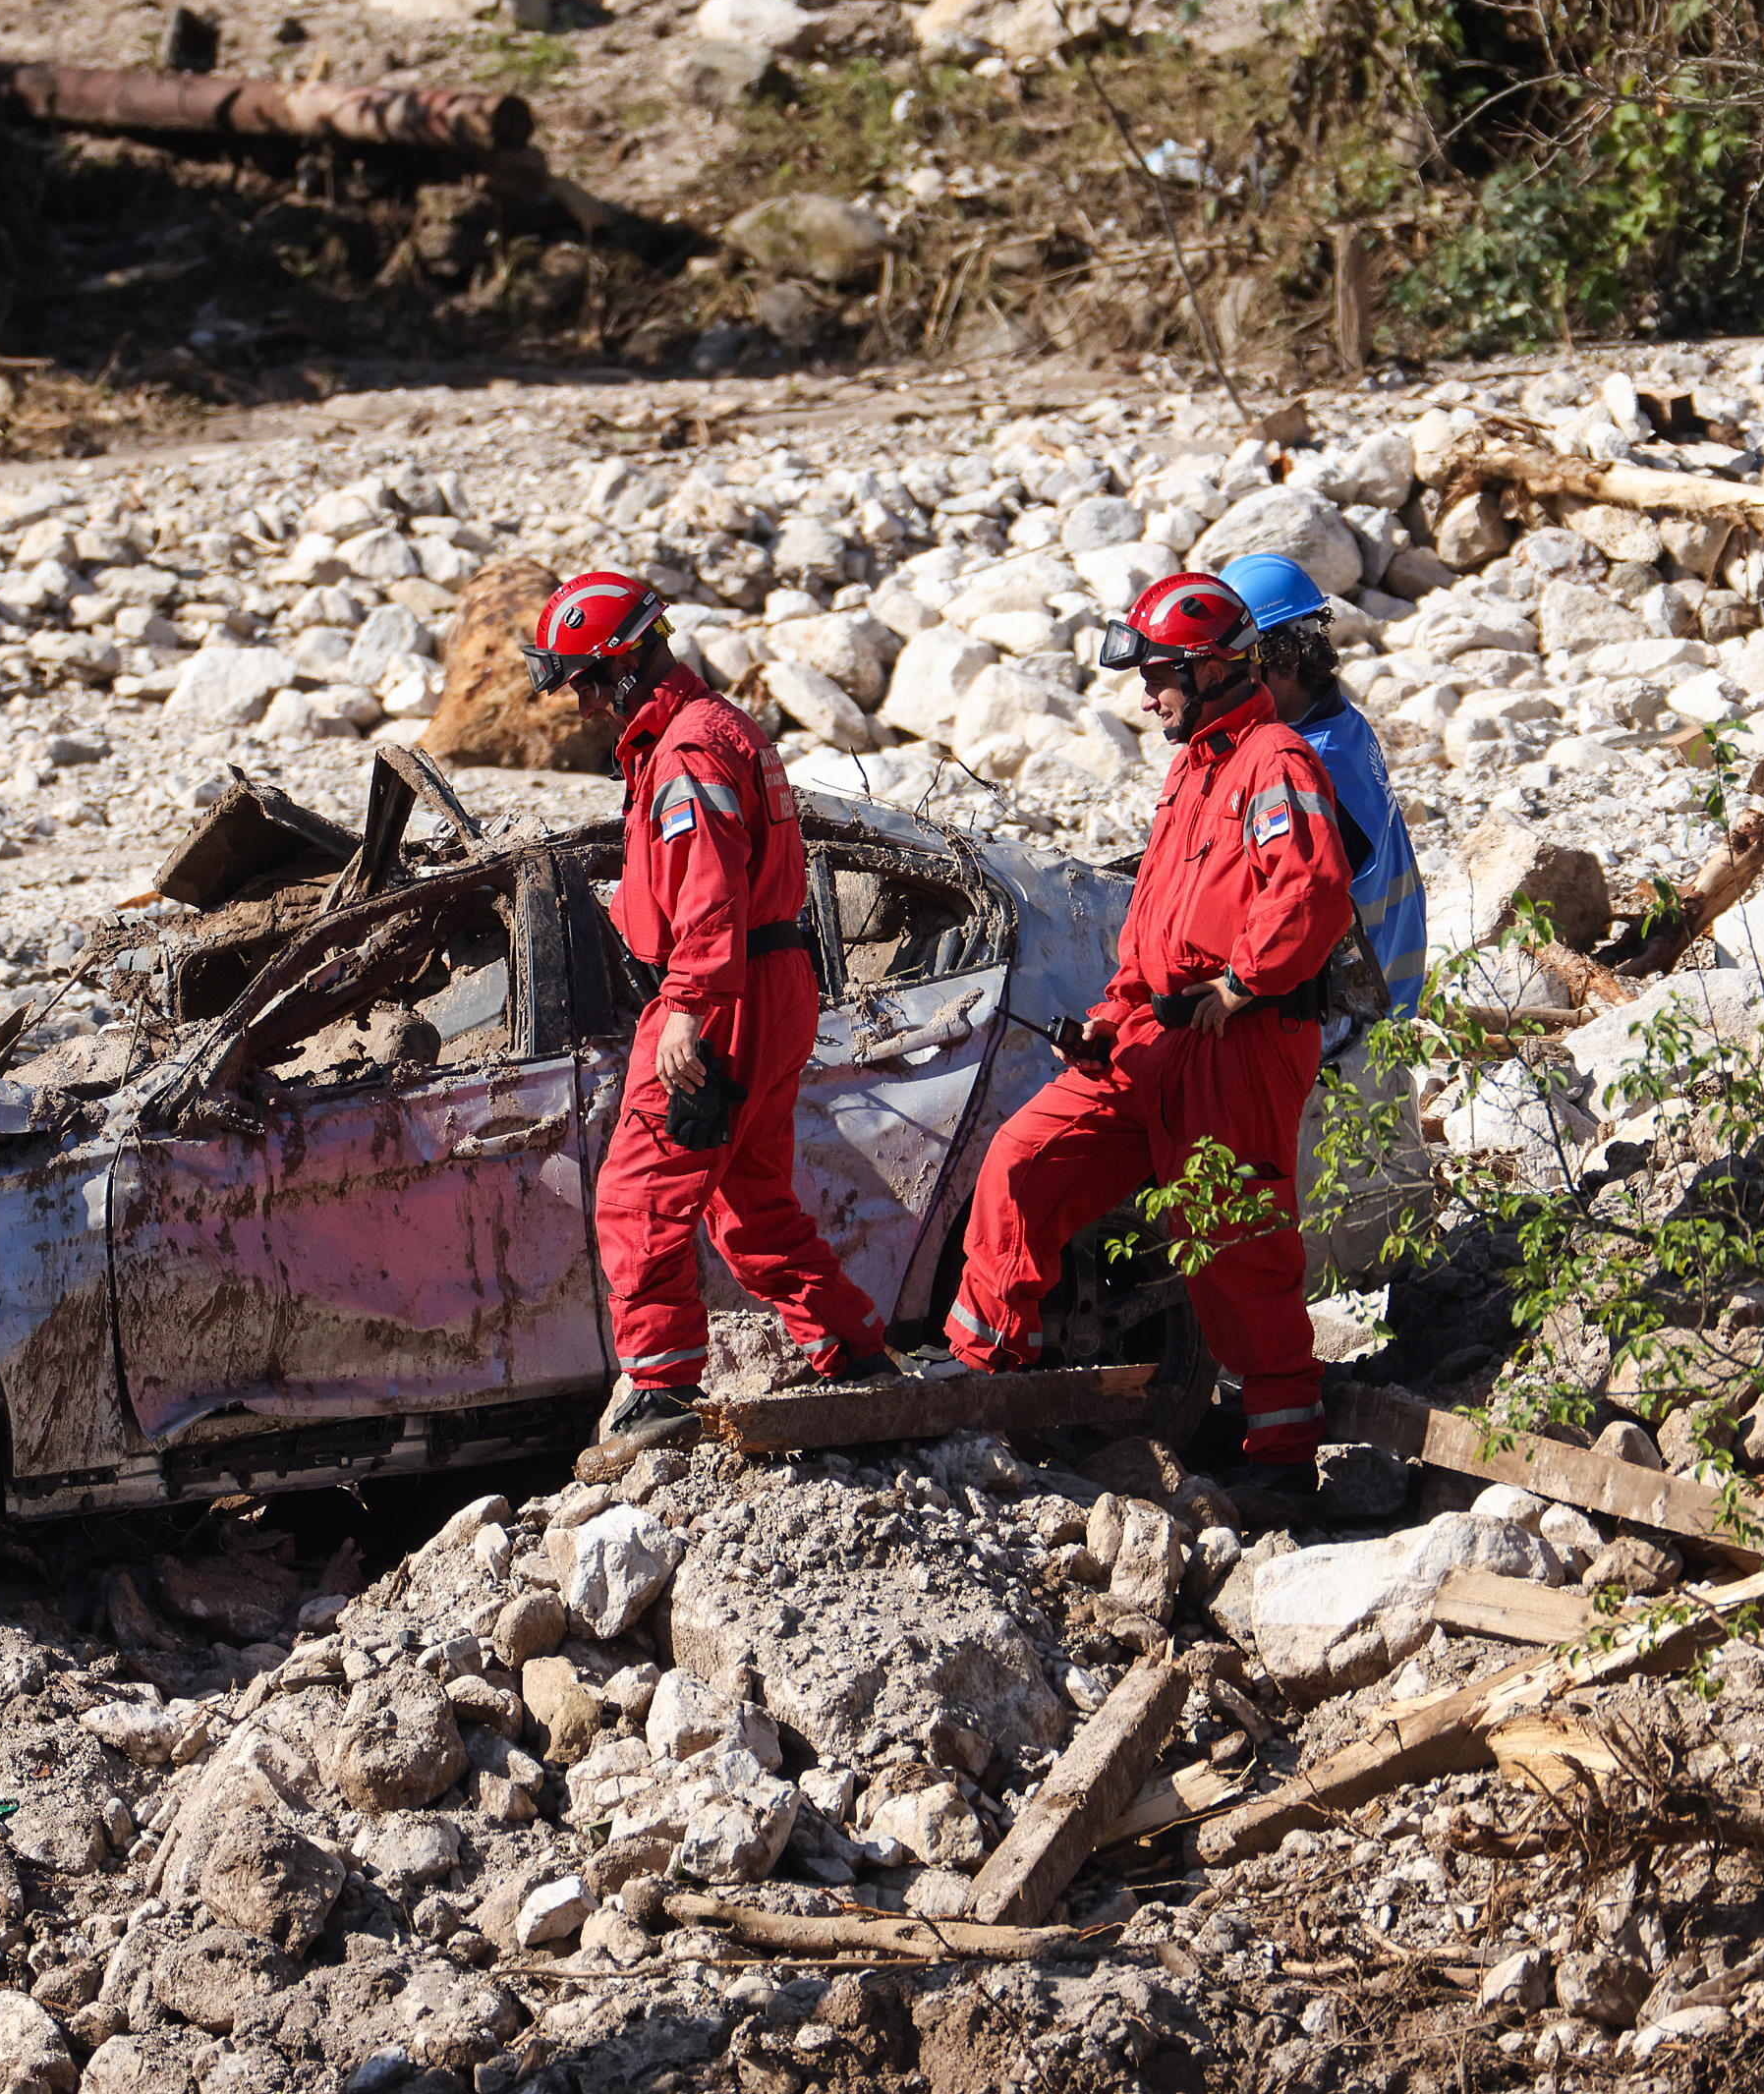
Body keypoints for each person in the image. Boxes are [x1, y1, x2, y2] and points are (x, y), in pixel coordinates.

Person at [941, 570, 1357, 1462]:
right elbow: (1156, 926)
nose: (1147, 693)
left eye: (1161, 673)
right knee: (1022, 1164)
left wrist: (1242, 985)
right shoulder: (1192, 770)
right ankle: (982, 1385)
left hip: (1233, 1045)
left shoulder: (1274, 761)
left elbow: (1312, 890)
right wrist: (1111, 1014)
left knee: (1231, 1246)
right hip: (1151, 1035)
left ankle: (1284, 1460)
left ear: (1212, 669)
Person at [524, 571, 890, 1451]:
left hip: (720, 994)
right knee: (750, 1200)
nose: (580, 707)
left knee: (635, 1192)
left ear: (622, 664)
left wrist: (686, 1004)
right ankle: (855, 1355)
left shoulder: (686, 752)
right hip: (761, 984)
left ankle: (661, 1388)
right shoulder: (705, 730)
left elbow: (713, 891)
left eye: (582, 684)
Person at [1217, 550, 1433, 1283]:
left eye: (1234, 668)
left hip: (1350, 1032)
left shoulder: (1311, 765)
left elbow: (1292, 903)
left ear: (1276, 664)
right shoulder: (1336, 724)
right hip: (1380, 1007)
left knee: (1345, 1261)